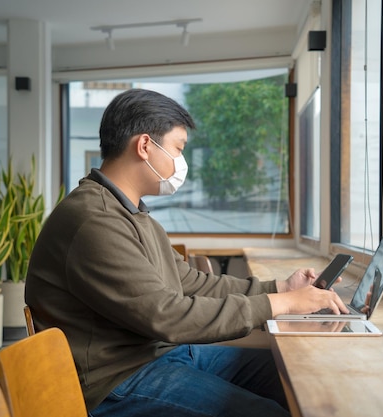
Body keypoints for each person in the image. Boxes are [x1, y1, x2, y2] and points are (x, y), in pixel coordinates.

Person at [25, 88, 348, 417]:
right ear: (145, 146)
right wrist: (280, 306)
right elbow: (167, 315)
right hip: (116, 381)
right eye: (178, 149)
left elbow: (190, 282)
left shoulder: (132, 213)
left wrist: (280, 289)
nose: (181, 163)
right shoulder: (95, 220)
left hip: (157, 353)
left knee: (295, 375)